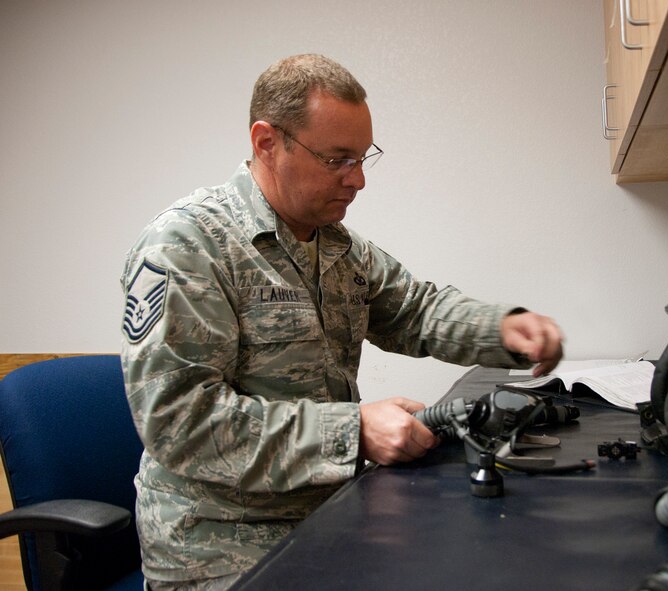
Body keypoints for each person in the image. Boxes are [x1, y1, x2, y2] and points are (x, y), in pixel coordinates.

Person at [120, 54, 563, 590]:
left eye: (361, 158)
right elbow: (181, 423)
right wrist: (353, 429)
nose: (357, 180)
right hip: (219, 543)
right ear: (266, 142)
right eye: (336, 160)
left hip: (331, 507)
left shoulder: (335, 245)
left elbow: (415, 308)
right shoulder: (189, 246)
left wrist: (501, 328)